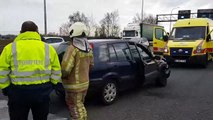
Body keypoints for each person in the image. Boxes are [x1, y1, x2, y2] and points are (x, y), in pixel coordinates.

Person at [0, 21, 61, 120]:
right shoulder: (48, 48)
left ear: (21, 32)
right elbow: (56, 70)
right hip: (42, 92)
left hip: (17, 93)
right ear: (37, 32)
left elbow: (2, 71)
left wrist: (6, 88)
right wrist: (52, 85)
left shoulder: (10, 48)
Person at [61, 22, 94, 120]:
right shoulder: (89, 48)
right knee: (80, 106)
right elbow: (91, 65)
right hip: (84, 83)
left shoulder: (72, 48)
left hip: (73, 86)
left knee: (75, 108)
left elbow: (65, 69)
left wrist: (61, 76)